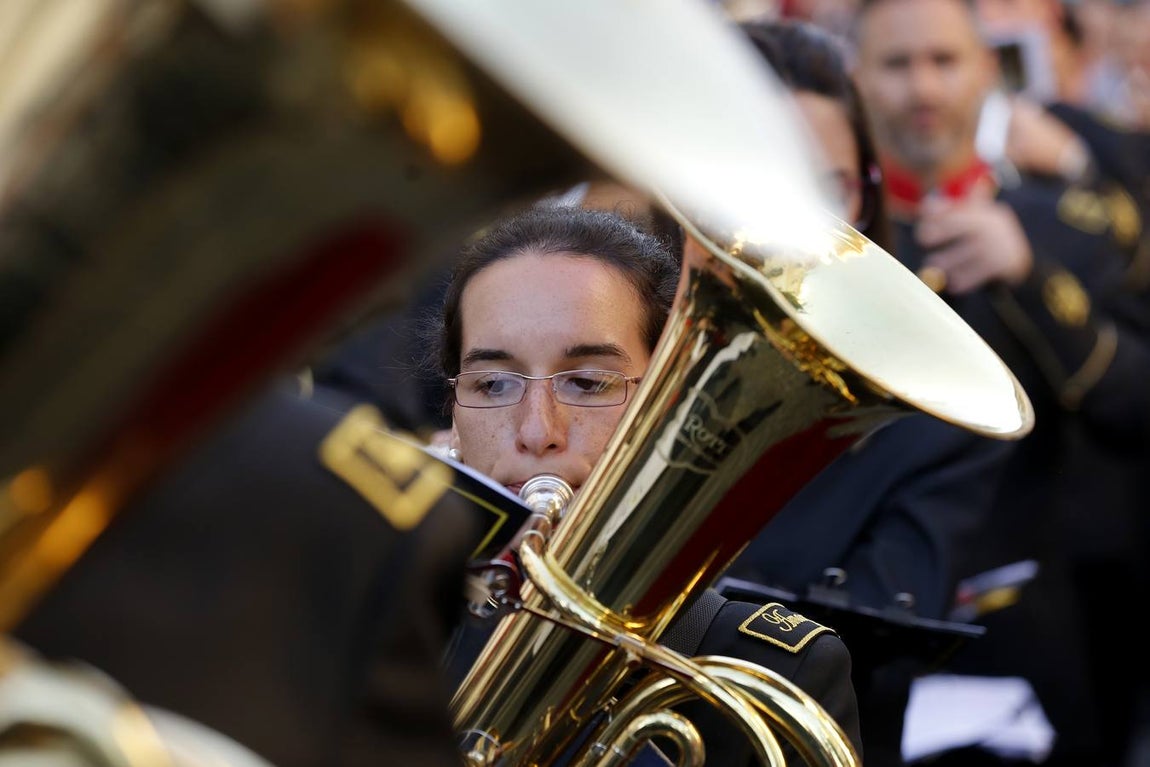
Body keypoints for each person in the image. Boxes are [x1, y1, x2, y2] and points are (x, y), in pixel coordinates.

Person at [431, 202, 864, 764]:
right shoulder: (367, 626)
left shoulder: (775, 670)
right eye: (493, 384)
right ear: (454, 413)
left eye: (588, 383)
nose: (537, 430)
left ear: (663, 406)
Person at [851, 0, 1150, 763]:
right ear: (857, 76)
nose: (922, 88)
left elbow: (1135, 400)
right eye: (896, 63)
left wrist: (1027, 273)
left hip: (1053, 612)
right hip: (865, 611)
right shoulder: (828, 237)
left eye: (945, 61)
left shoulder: (1067, 219)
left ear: (990, 72)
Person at [720, 18, 1017, 766]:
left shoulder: (938, 407)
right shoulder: (600, 342)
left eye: (825, 185)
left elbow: (871, 649)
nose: (788, 214)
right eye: (756, 172)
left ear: (864, 197)